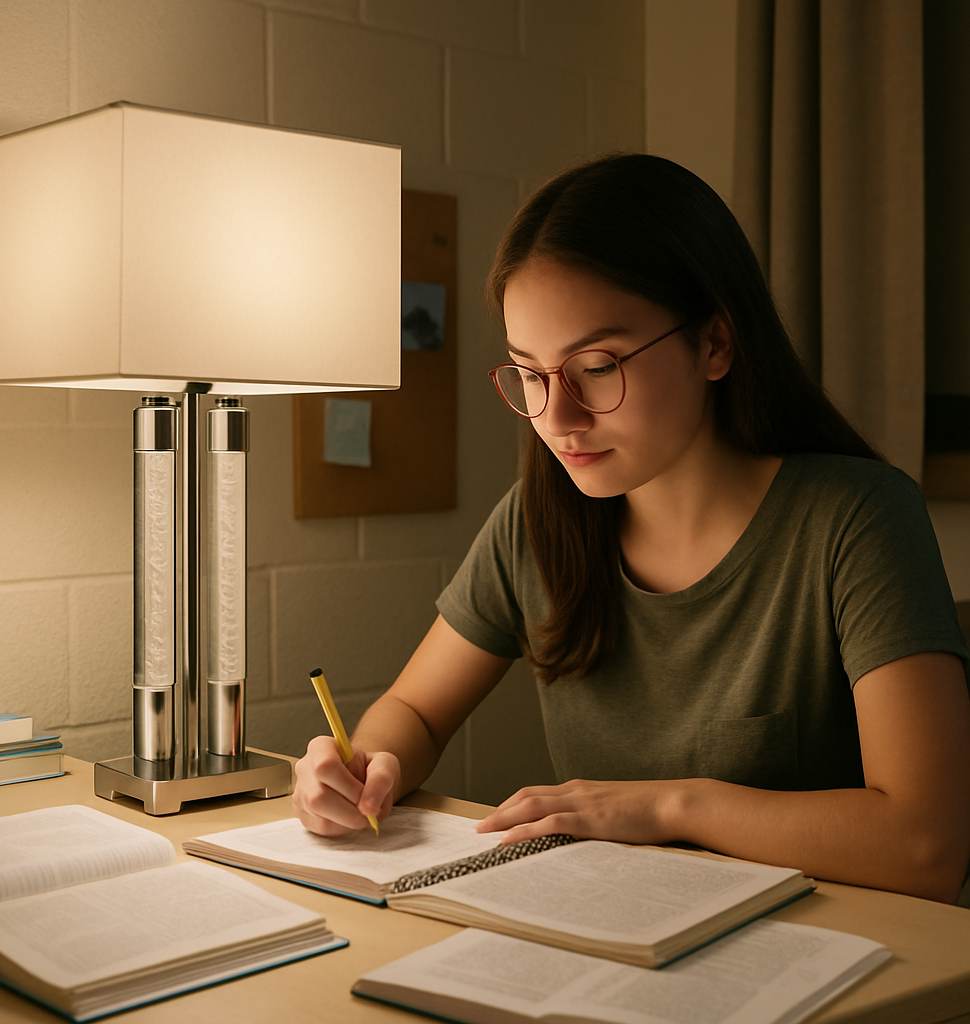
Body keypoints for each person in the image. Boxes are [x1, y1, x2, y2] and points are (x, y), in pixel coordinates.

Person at [293, 153, 970, 904]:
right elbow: (415, 710)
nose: (556, 417)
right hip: (621, 935)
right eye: (529, 372)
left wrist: (664, 804)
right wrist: (364, 763)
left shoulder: (857, 519)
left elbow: (926, 845)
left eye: (597, 366)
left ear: (714, 343)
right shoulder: (537, 520)